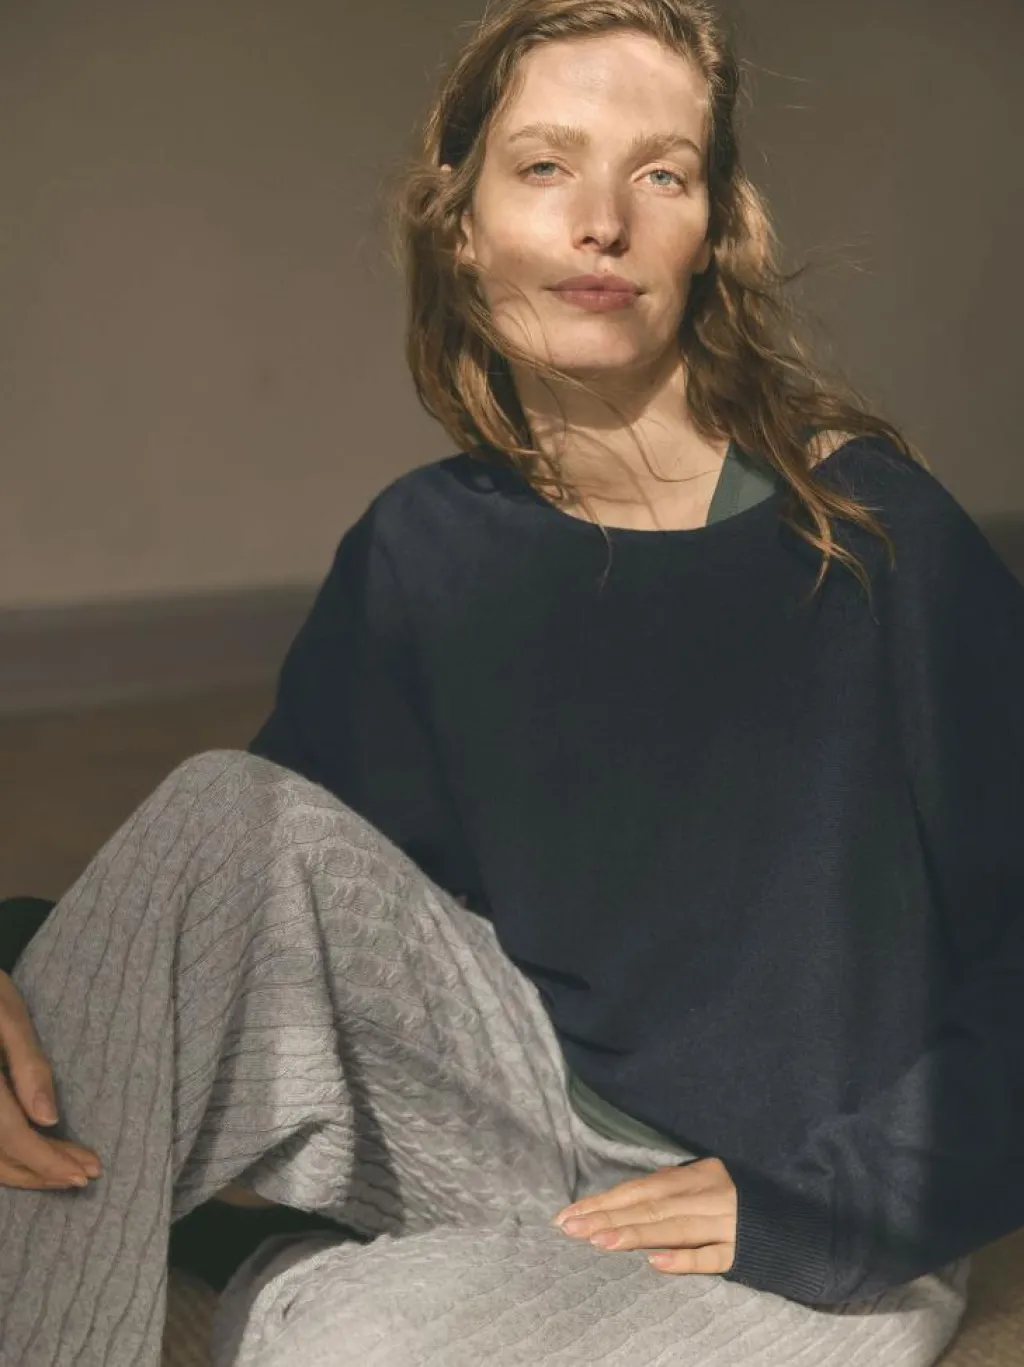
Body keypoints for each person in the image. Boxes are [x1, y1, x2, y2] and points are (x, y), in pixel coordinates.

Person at [1, 0, 1021, 1362]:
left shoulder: (872, 536)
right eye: (546, 166)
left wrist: (856, 1198)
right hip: (522, 1116)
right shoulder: (427, 547)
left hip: (810, 1212)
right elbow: (256, 907)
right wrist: (27, 971)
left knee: (334, 1334)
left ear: (712, 232)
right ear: (462, 226)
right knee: (219, 811)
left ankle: (298, 1283)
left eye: (661, 174)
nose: (602, 222)